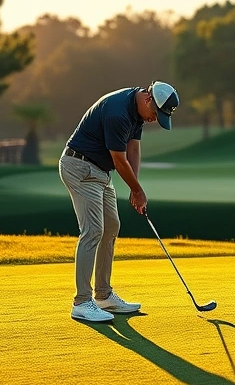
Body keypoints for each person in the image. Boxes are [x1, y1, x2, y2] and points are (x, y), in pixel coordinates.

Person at [59, 81, 180, 322]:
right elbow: (119, 159)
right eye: (156, 114)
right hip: (80, 167)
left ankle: (103, 295)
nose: (154, 119)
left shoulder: (138, 112)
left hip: (100, 172)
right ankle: (82, 302)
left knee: (111, 227)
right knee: (93, 230)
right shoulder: (118, 113)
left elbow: (133, 150)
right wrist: (137, 191)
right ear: (148, 100)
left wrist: (135, 187)